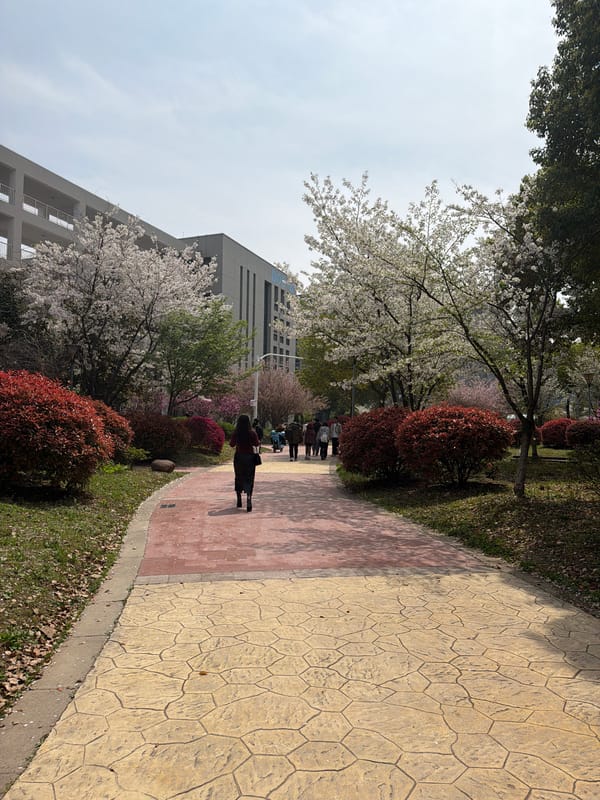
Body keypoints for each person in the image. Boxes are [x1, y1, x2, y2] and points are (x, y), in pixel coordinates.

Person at [229, 414, 260, 512]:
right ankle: (249, 499)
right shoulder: (252, 433)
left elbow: (231, 444)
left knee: (238, 477)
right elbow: (256, 443)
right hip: (250, 458)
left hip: (239, 457)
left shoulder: (236, 432)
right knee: (249, 478)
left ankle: (239, 499)